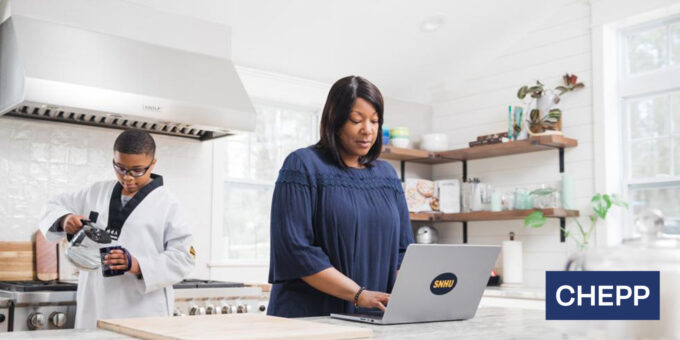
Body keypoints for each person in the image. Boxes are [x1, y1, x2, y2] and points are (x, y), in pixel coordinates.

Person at [267, 75, 414, 317]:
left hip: (373, 316)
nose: (367, 130)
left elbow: (403, 251)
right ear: (334, 121)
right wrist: (358, 294)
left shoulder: (387, 175)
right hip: (311, 318)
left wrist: (413, 295)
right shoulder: (302, 165)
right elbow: (296, 250)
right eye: (356, 120)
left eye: (375, 121)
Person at [39, 130, 196, 328]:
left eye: (137, 170)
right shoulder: (96, 191)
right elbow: (52, 205)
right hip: (94, 304)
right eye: (120, 168)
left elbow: (184, 257)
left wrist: (137, 265)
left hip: (141, 311)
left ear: (153, 164)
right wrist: (64, 219)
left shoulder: (168, 205)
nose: (127, 177)